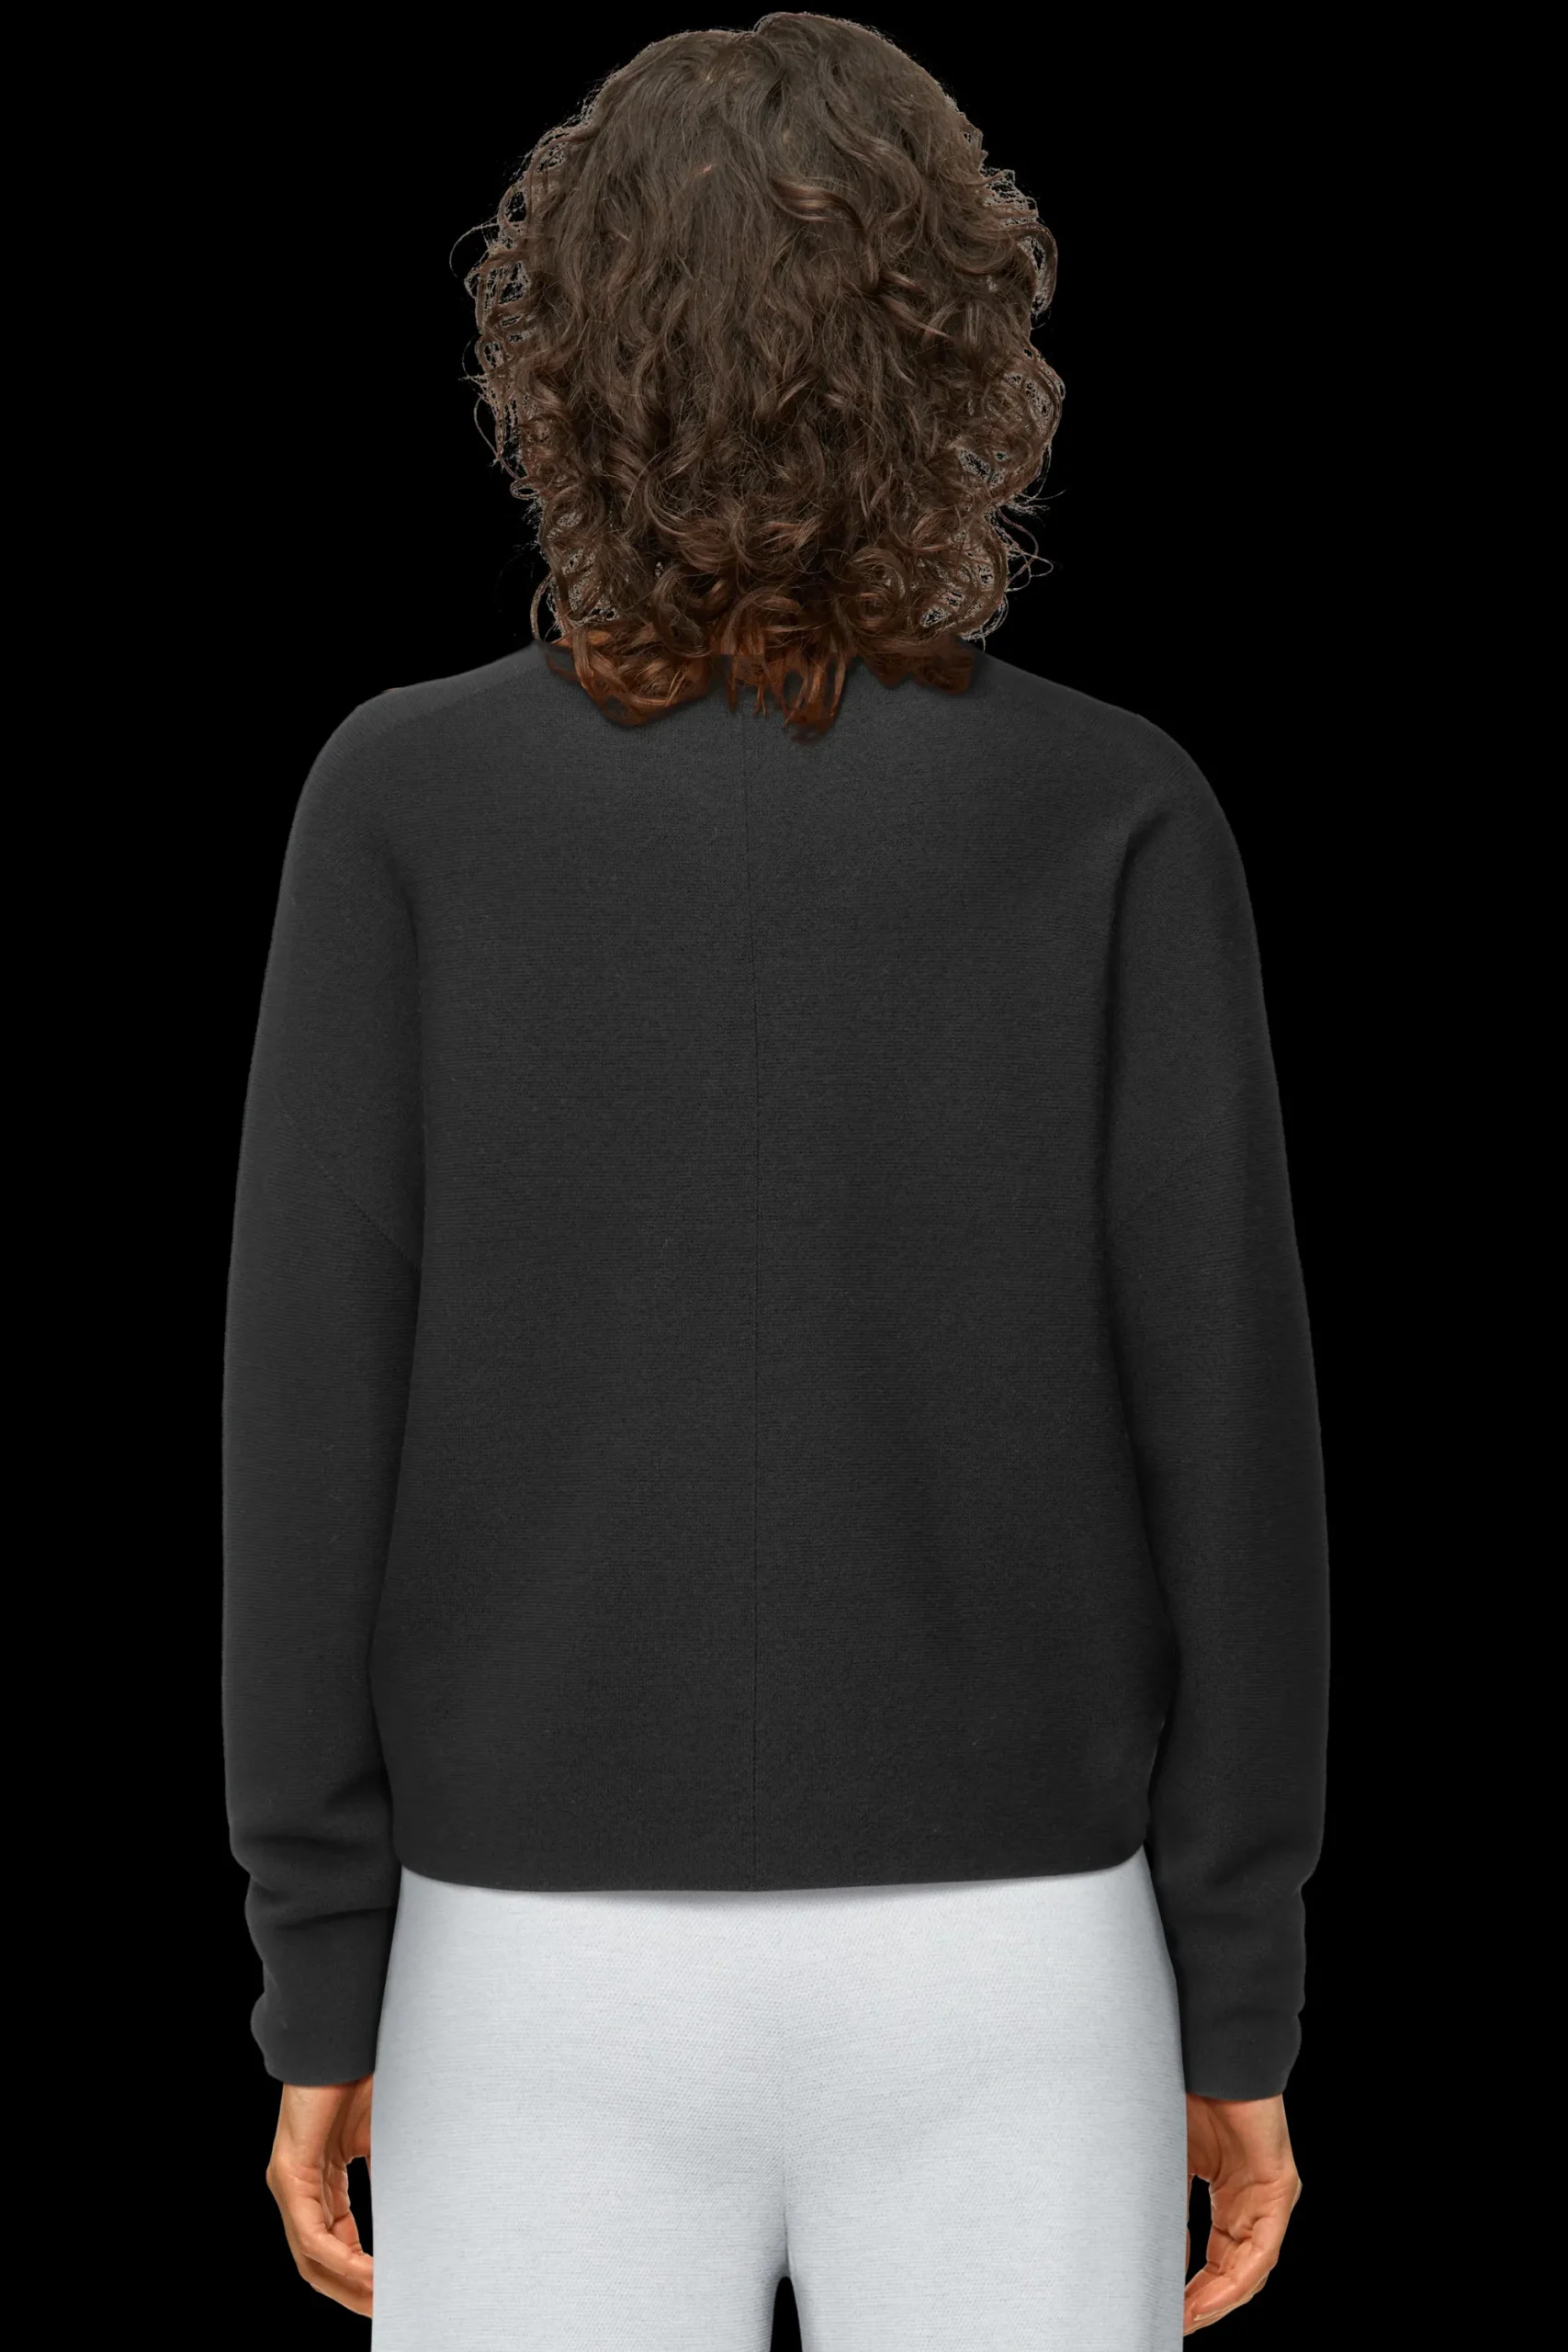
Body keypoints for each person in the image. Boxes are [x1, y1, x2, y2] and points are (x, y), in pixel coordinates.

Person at [222, 16, 1328, 2346]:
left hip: (527, 1965)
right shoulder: (1110, 814)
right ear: (957, 358)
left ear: (564, 367)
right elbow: (1234, 1449)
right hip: (1021, 1961)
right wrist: (1234, 1993)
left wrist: (321, 1964)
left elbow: (306, 1435)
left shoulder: (401, 806)